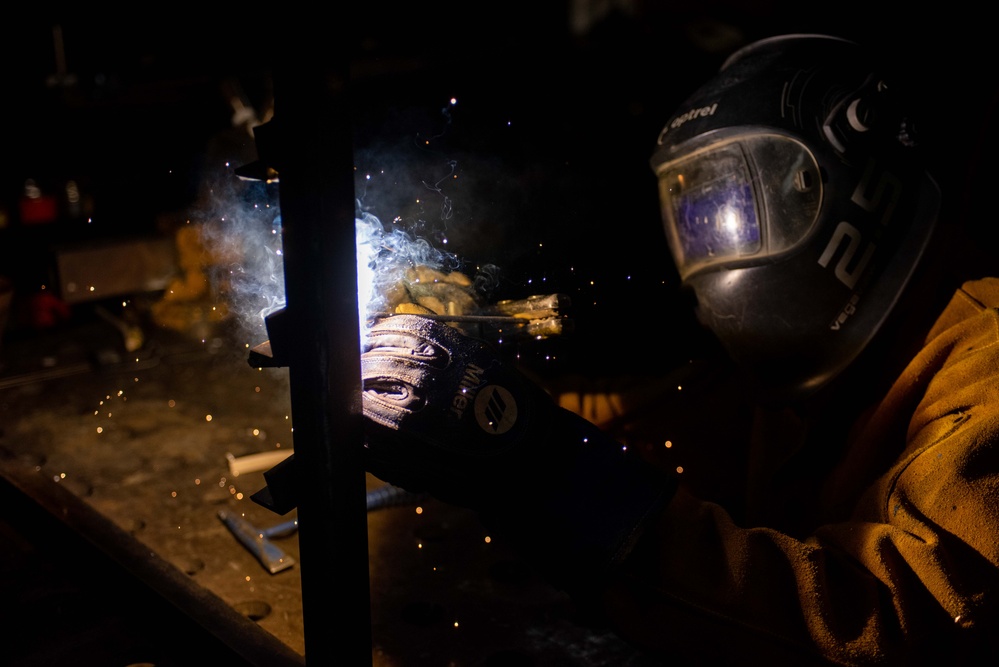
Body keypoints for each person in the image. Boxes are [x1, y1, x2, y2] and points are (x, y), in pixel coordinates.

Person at [359, 33, 999, 665]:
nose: (716, 244)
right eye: (697, 211)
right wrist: (483, 390)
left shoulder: (986, 377)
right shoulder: (822, 367)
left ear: (849, 186)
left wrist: (534, 463)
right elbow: (669, 430)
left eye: (739, 202)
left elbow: (887, 626)